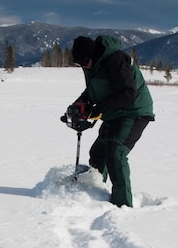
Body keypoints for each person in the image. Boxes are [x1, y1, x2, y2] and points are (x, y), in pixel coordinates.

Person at [66, 35, 155, 207]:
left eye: (84, 62)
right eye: (80, 64)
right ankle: (96, 195)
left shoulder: (116, 60)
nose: (83, 67)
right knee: (98, 152)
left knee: (116, 152)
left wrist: (98, 109)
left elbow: (129, 92)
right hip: (114, 113)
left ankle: (121, 206)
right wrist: (76, 107)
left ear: (92, 55)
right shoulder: (90, 64)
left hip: (134, 111)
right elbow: (92, 90)